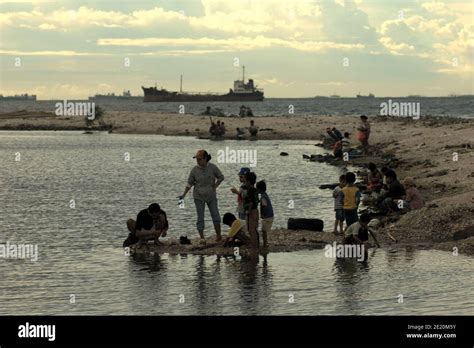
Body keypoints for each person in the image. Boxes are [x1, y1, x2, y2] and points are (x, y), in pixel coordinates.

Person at [179, 150, 224, 241]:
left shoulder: (213, 167)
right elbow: (189, 183)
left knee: (215, 215)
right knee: (200, 217)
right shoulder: (194, 170)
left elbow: (221, 177)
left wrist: (215, 186)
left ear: (205, 159)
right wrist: (183, 195)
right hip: (198, 196)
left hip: (211, 196)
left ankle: (218, 235)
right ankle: (202, 237)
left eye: (200, 159)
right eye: (197, 159)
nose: (198, 161)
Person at [244, 172, 259, 251]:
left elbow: (251, 202)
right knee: (254, 229)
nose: (245, 183)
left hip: (251, 211)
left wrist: (248, 211)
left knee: (251, 229)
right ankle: (256, 245)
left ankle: (254, 246)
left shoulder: (250, 191)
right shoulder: (255, 190)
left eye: (245, 181)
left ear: (249, 182)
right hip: (256, 210)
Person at [256, 180, 274, 249]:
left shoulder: (263, 197)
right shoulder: (265, 195)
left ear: (259, 189)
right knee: (264, 230)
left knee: (263, 231)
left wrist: (262, 214)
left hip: (267, 216)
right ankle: (265, 243)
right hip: (270, 215)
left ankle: (265, 244)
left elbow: (264, 205)